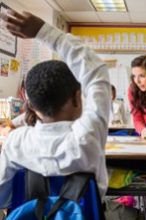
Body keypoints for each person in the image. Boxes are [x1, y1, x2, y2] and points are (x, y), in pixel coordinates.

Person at [0, 10, 110, 213]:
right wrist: (44, 32)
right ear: (78, 97)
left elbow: (2, 198)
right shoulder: (87, 137)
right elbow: (97, 72)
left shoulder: (15, 142)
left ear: (30, 105)